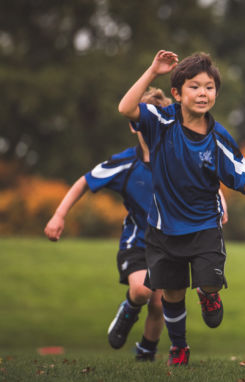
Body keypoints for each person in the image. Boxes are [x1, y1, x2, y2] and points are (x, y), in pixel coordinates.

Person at [118, 50, 245, 366]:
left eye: (209, 87)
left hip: (204, 225)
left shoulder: (218, 136)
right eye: (194, 86)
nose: (203, 93)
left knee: (209, 281)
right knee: (172, 292)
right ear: (176, 93)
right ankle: (179, 348)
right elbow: (125, 108)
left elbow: (238, 171)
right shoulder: (161, 121)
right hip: (163, 228)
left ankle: (209, 294)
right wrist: (152, 70)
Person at [44, 88, 173, 361]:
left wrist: (218, 199)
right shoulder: (124, 164)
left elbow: (204, 178)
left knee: (160, 305)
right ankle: (129, 307)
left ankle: (146, 353)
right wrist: (59, 215)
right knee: (142, 290)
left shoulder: (176, 161)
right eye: (144, 123)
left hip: (168, 245)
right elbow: (84, 181)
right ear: (133, 125)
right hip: (136, 244)